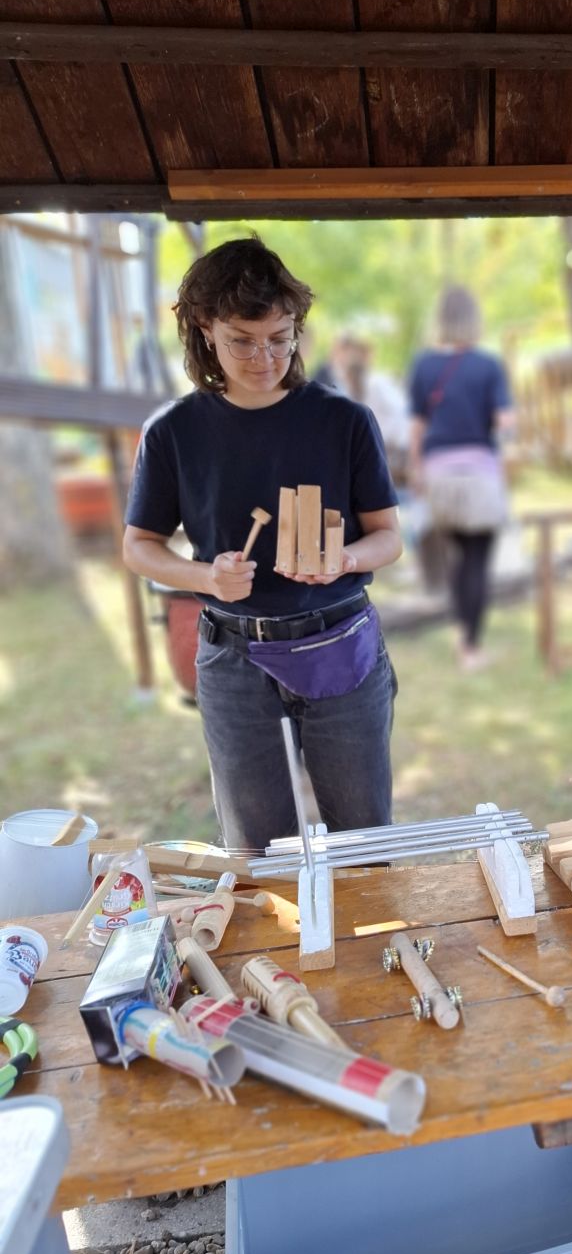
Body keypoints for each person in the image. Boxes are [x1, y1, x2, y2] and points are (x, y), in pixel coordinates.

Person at [123, 237, 403, 853]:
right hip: (232, 653)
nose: (263, 357)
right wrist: (204, 577)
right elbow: (139, 546)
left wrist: (347, 559)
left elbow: (388, 537)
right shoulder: (173, 432)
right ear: (203, 328)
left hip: (339, 642)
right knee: (257, 852)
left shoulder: (345, 421)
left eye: (280, 337)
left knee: (363, 839)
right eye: (242, 341)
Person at [408, 285, 514, 672]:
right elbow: (505, 422)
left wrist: (418, 470)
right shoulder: (487, 365)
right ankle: (471, 645)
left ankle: (462, 635)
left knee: (456, 556)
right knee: (477, 559)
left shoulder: (423, 365)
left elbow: (417, 425)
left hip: (438, 472)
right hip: (479, 473)